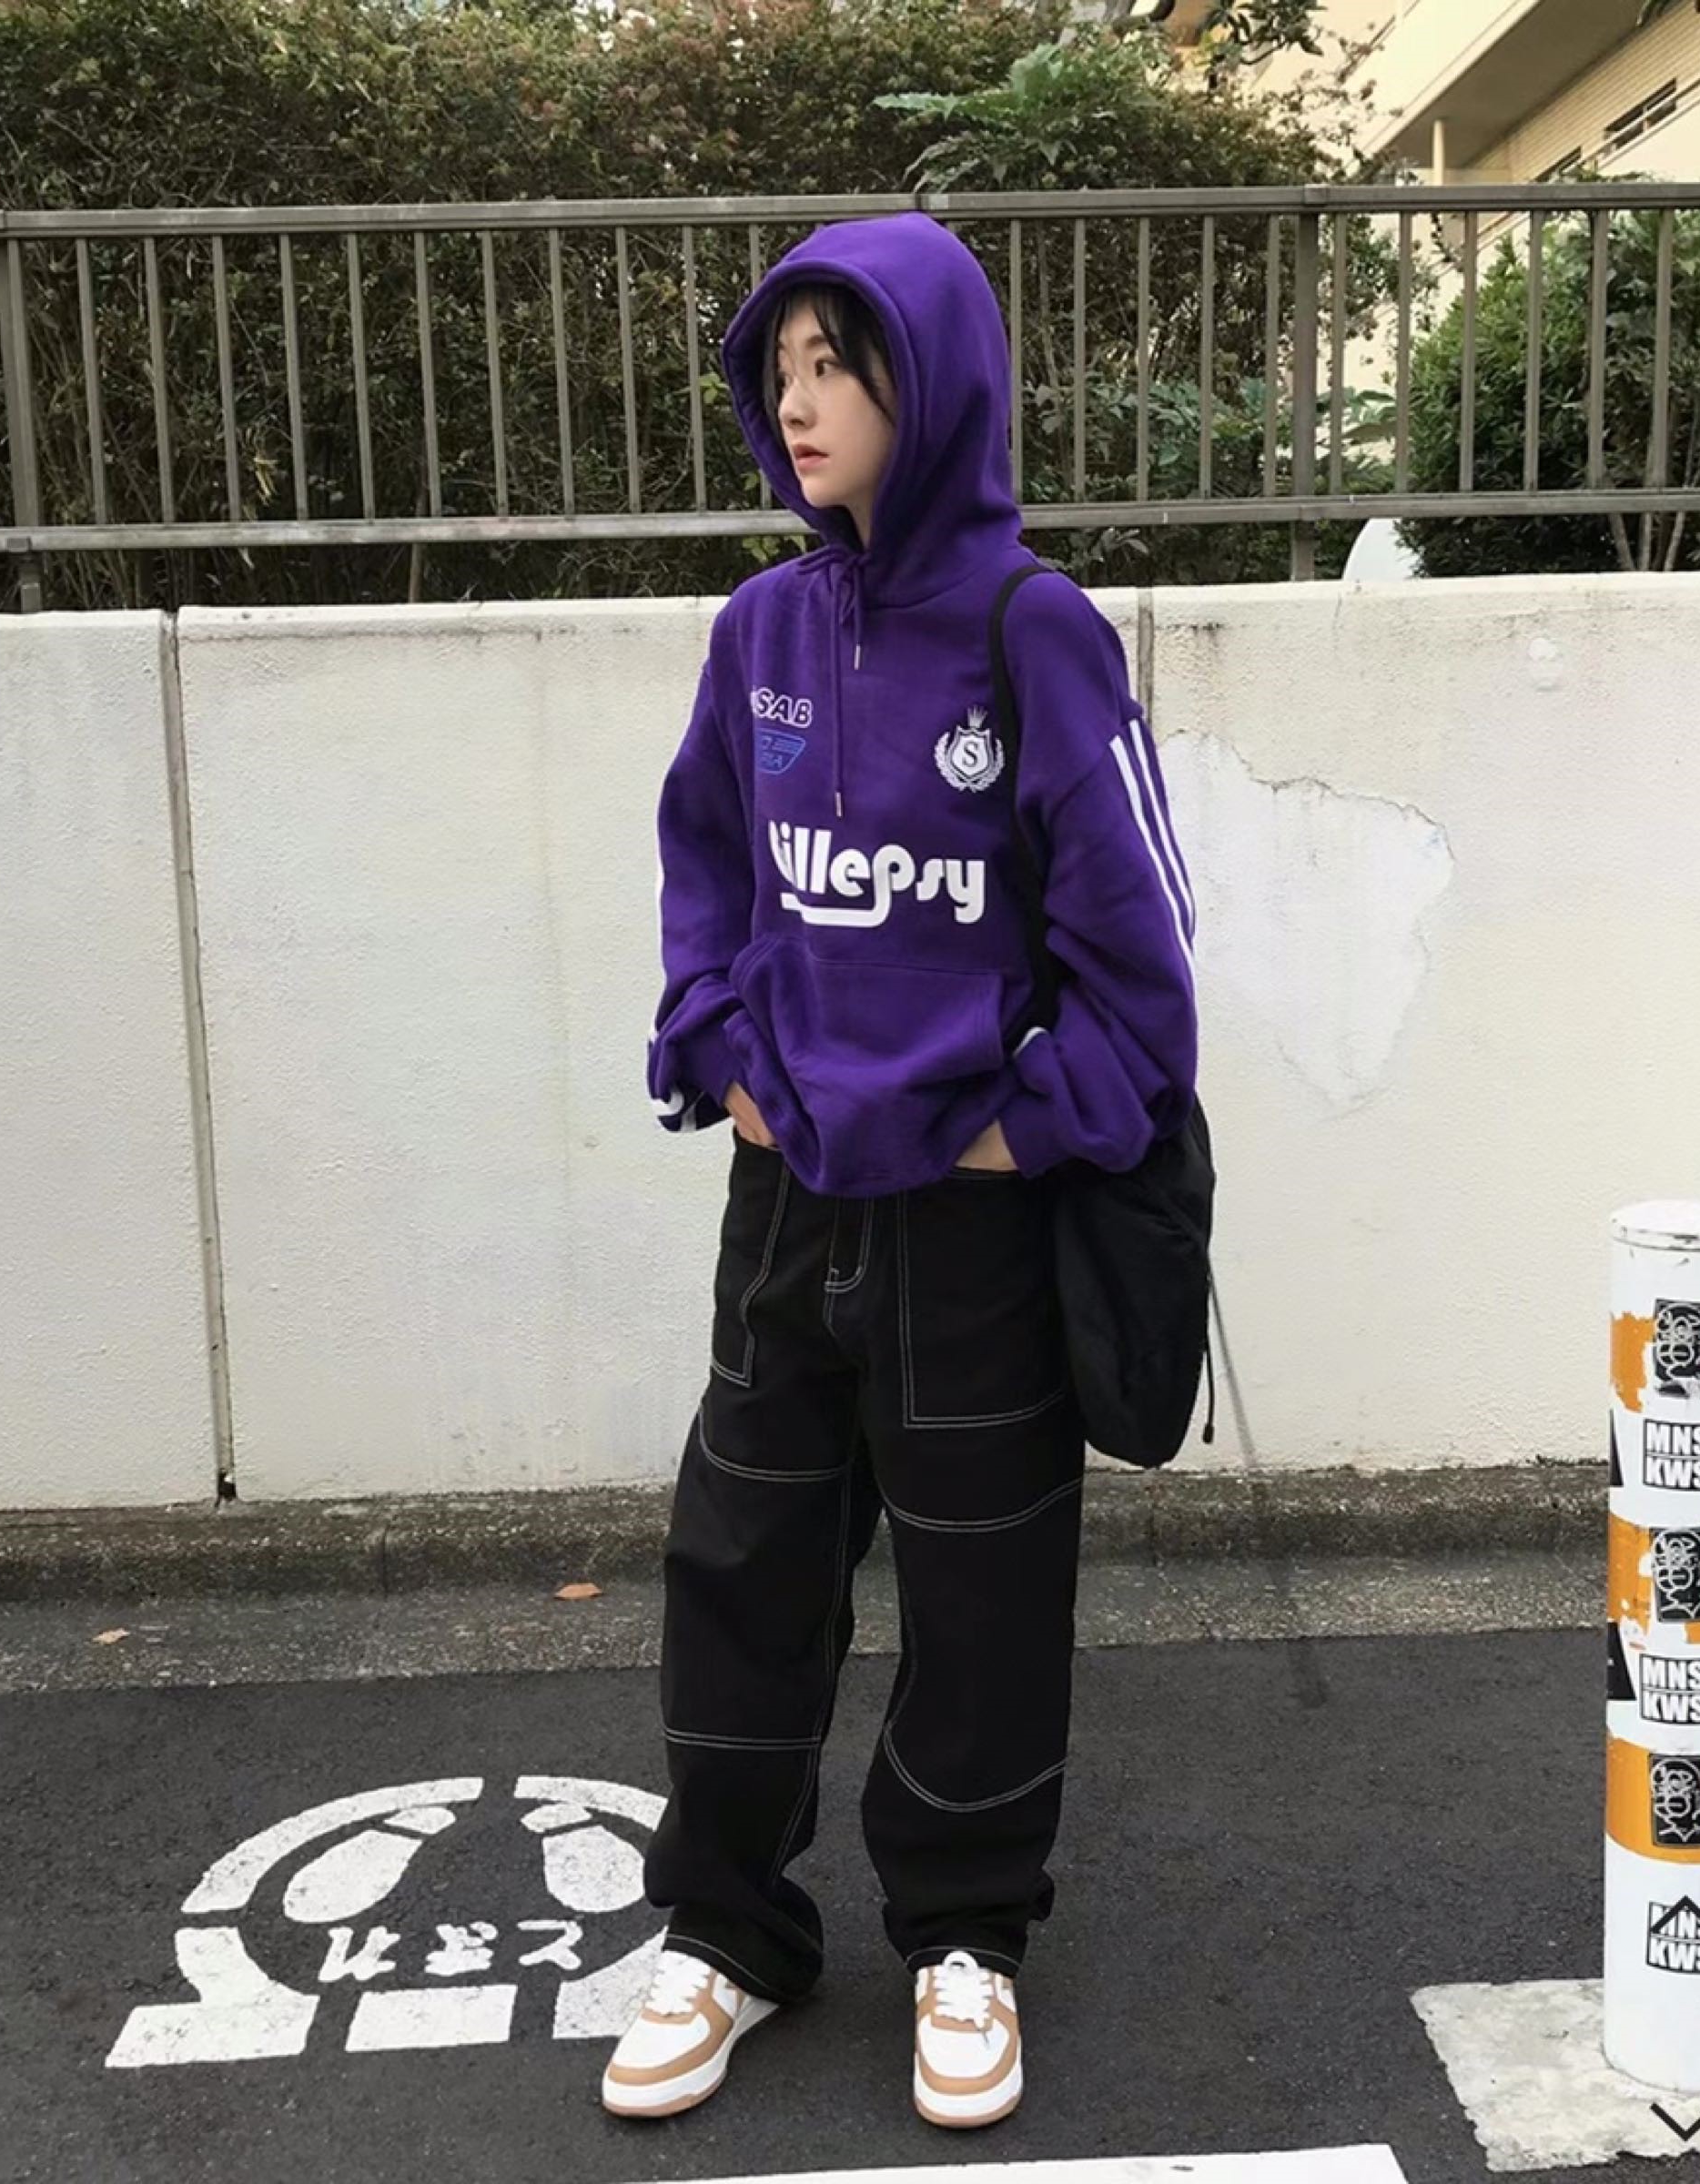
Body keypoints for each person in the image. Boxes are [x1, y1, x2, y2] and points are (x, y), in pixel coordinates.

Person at [602, 210, 1199, 2128]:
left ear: (927, 383)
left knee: (981, 1591)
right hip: (789, 1209)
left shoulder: (1034, 631)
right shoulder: (760, 633)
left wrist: (1014, 1129)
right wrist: (719, 1052)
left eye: (833, 363)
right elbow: (705, 869)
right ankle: (724, 1930)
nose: (795, 402)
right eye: (776, 368)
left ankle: (963, 1936)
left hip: (972, 1226)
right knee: (742, 1564)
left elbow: (1143, 962)